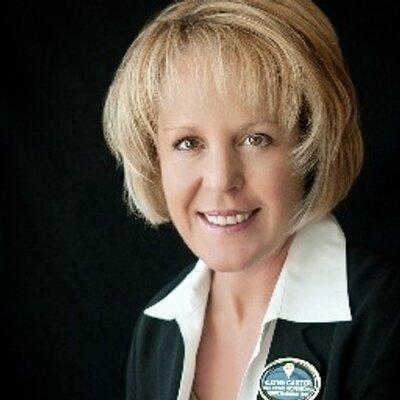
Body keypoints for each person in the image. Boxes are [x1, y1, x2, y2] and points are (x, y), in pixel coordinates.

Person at [102, 1, 400, 399]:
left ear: (311, 145)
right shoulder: (157, 329)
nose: (221, 180)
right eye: (188, 143)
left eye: (255, 139)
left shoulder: (385, 316)